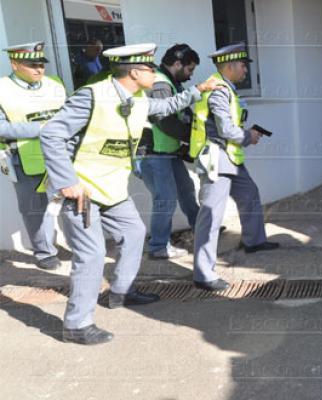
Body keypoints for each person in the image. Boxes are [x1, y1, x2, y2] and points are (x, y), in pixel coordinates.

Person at [39, 43, 222, 345]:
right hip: (82, 190)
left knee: (135, 233)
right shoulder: (92, 96)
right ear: (135, 72)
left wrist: (198, 90)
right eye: (150, 68)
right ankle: (76, 324)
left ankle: (121, 292)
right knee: (92, 254)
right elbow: (51, 134)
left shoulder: (138, 98)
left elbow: (163, 108)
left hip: (112, 189)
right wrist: (66, 180)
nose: (155, 72)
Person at [190, 42, 278, 293]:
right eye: (242, 66)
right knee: (210, 216)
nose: (245, 71)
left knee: (249, 194)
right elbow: (225, 129)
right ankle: (203, 274)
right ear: (229, 67)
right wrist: (248, 136)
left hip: (231, 158)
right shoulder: (218, 90)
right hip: (217, 159)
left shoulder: (227, 88)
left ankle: (254, 241)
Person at [0, 42, 66, 270]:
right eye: (32, 65)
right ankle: (44, 252)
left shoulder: (55, 83)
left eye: (41, 64)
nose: (39, 69)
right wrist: (41, 129)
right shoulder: (2, 89)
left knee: (69, 203)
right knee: (34, 208)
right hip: (24, 159)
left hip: (61, 156)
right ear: (15, 64)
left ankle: (81, 246)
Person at [138, 44, 201, 259]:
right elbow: (165, 121)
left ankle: (201, 228)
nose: (190, 75)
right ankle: (158, 246)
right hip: (154, 152)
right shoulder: (160, 84)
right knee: (165, 199)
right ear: (177, 64)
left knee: (186, 189)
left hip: (168, 150)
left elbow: (184, 112)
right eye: (189, 69)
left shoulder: (172, 82)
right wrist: (191, 138)